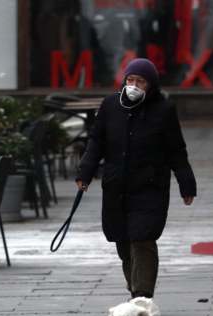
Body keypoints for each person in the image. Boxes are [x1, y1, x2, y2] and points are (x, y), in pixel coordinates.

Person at [75, 58, 196, 299]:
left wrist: (186, 183)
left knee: (142, 238)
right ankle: (134, 287)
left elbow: (176, 150)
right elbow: (96, 141)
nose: (134, 85)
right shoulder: (110, 105)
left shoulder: (163, 110)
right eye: (130, 80)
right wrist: (85, 173)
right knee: (123, 241)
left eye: (140, 81)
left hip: (149, 187)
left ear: (150, 85)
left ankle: (142, 296)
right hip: (116, 186)